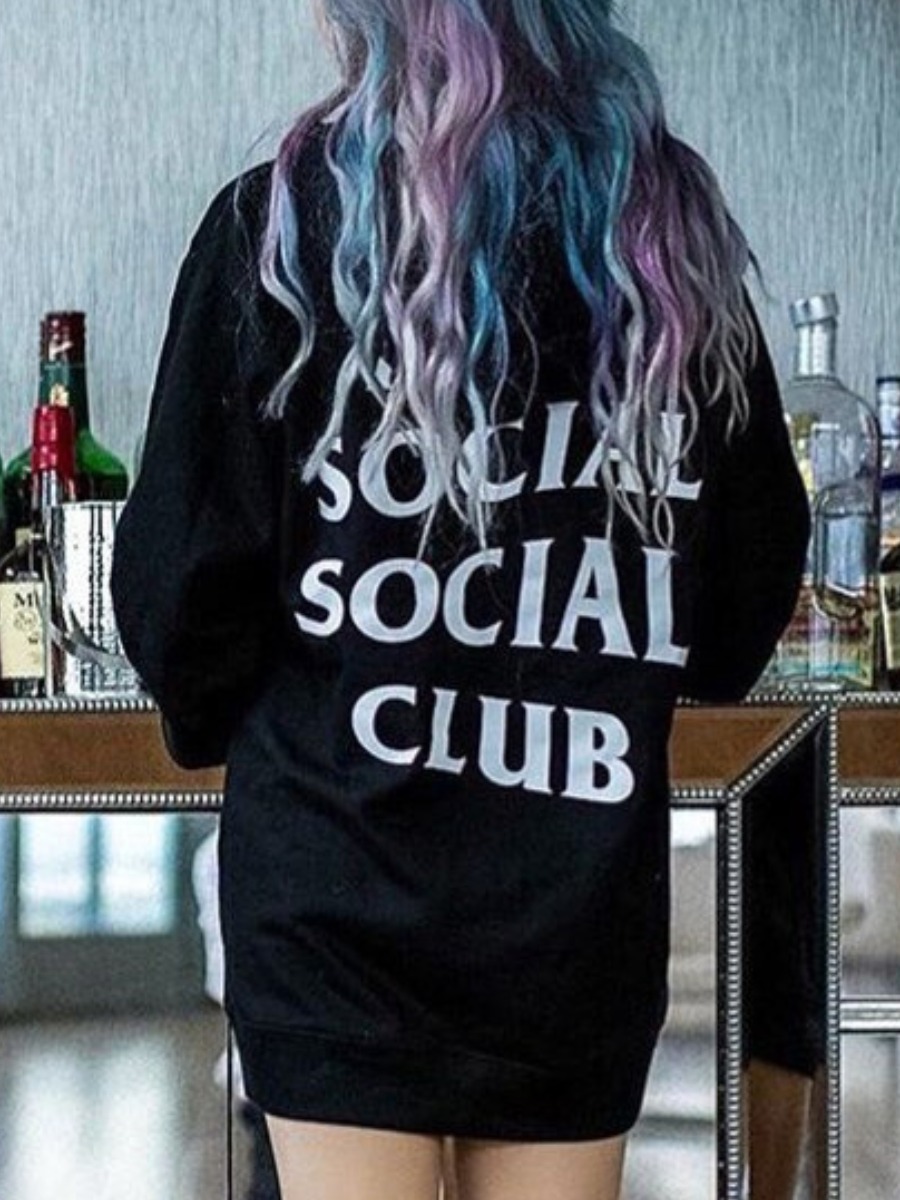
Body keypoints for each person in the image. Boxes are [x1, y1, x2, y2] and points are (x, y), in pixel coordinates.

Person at [110, 2, 810, 1197]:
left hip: (336, 901)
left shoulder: (278, 230)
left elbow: (178, 603)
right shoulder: (664, 243)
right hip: (571, 912)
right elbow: (740, 608)